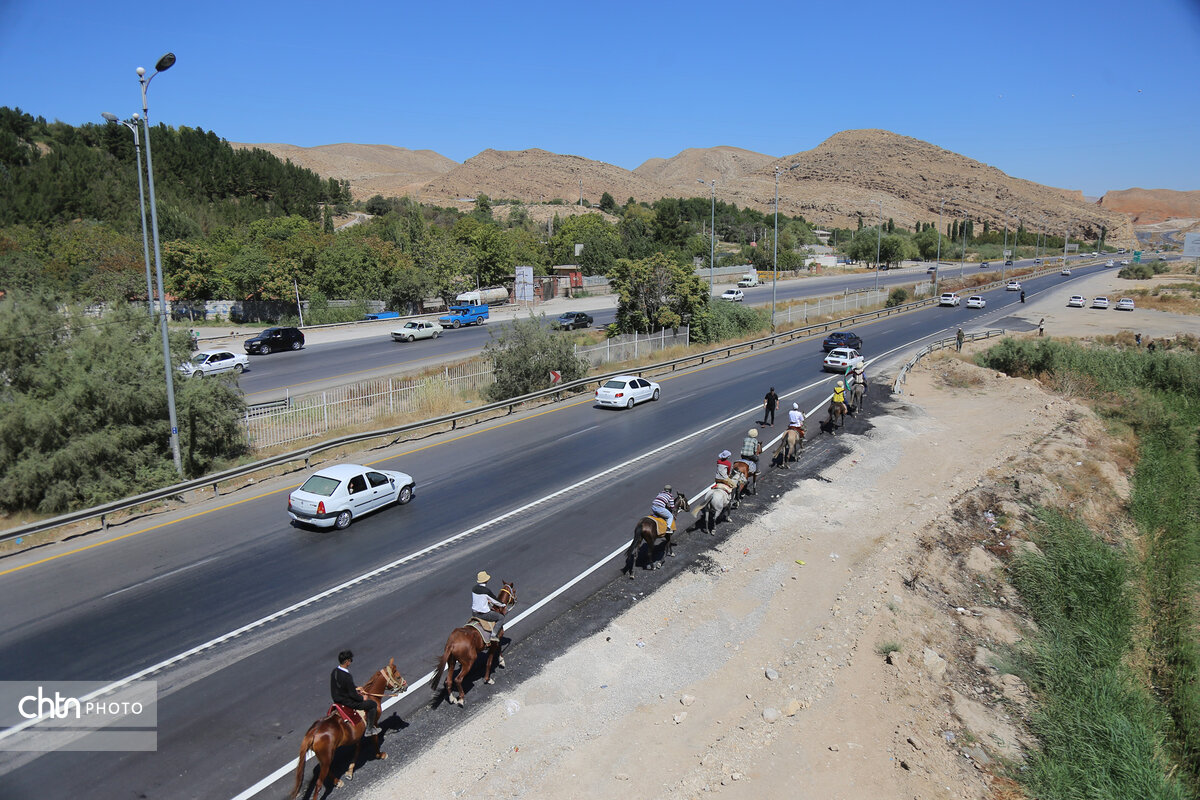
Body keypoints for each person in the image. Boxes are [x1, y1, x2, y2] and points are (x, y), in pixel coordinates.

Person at [330, 650, 381, 736]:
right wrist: (362, 698)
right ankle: (369, 729)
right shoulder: (347, 676)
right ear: (347, 661)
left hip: (337, 700)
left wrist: (355, 688)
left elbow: (342, 685)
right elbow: (352, 695)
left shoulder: (334, 671)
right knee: (372, 704)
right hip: (347, 702)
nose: (350, 662)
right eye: (350, 660)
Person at [471, 571, 508, 643]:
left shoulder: (474, 588)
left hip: (474, 613)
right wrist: (503, 605)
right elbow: (495, 601)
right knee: (501, 618)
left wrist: (486, 600)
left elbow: (478, 598)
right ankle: (493, 635)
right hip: (484, 615)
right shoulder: (486, 591)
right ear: (486, 580)